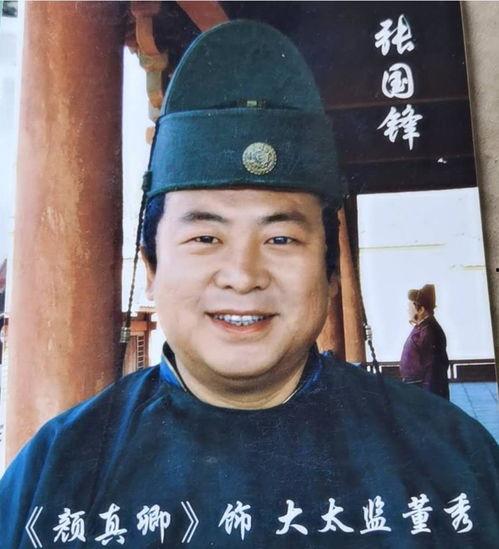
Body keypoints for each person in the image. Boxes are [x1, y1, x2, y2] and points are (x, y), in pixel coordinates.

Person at [1, 20, 498, 548]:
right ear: (151, 269)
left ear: (330, 273)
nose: (242, 276)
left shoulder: (451, 458)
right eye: (205, 238)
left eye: (280, 238)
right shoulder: (55, 474)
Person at [399, 284, 450, 400]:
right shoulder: (423, 327)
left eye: (410, 307)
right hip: (416, 389)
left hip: (424, 393)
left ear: (421, 309)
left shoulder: (429, 332)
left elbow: (433, 371)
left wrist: (428, 399)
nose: (408, 310)